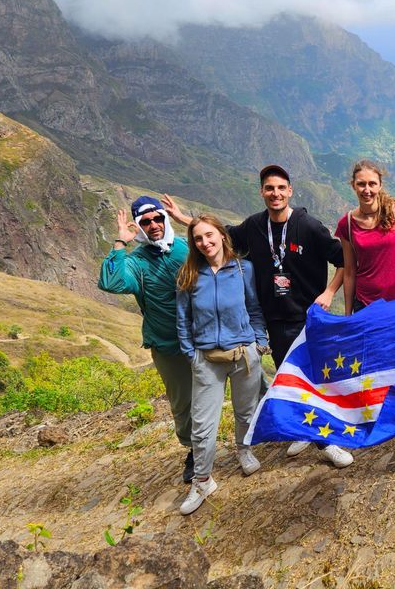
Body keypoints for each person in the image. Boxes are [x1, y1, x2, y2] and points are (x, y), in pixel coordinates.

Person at [163, 167, 355, 468]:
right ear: (262, 192)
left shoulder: (308, 226)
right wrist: (184, 220)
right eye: (269, 188)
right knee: (291, 381)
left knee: (315, 380)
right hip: (274, 322)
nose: (275, 193)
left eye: (280, 187)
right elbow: (216, 235)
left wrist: (330, 292)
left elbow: (344, 259)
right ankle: (308, 432)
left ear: (290, 190)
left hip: (308, 318)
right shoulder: (253, 226)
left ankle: (327, 441)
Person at [175, 215, 269, 515]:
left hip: (244, 355)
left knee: (245, 410)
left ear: (222, 235)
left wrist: (259, 342)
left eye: (209, 235)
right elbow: (183, 320)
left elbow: (254, 308)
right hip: (207, 359)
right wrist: (191, 353)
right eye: (198, 238)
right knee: (203, 425)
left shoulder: (243, 269)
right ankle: (202, 480)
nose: (205, 243)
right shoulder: (188, 274)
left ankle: (244, 449)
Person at [98, 195, 194, 483]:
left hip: (204, 337)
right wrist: (120, 243)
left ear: (165, 219)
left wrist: (186, 220)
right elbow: (112, 282)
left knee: (240, 381)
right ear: (138, 226)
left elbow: (222, 246)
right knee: (183, 402)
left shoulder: (184, 247)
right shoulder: (137, 261)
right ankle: (195, 451)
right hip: (168, 345)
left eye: (157, 218)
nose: (153, 225)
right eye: (145, 221)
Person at [334, 159, 395, 429]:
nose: (367, 189)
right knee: (373, 360)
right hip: (367, 304)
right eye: (361, 184)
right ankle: (379, 412)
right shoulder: (347, 224)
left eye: (372, 183)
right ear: (353, 186)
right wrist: (349, 313)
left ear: (380, 185)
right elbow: (349, 271)